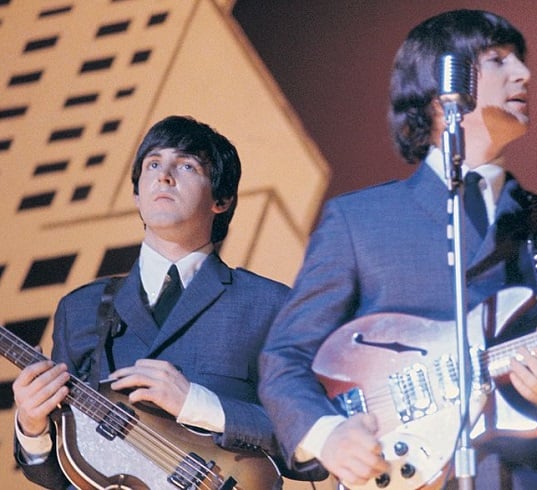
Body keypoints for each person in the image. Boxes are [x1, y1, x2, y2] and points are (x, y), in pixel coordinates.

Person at [259, 9, 537, 490]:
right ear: (443, 85)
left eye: (520, 59)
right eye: (498, 59)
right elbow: (285, 357)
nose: (524, 73)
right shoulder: (358, 220)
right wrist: (328, 436)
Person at [12, 115, 319, 488]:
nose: (164, 176)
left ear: (221, 199)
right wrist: (32, 426)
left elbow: (314, 448)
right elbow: (62, 474)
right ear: (137, 195)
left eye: (187, 166)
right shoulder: (80, 308)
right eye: (153, 164)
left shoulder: (268, 304)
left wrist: (197, 404)